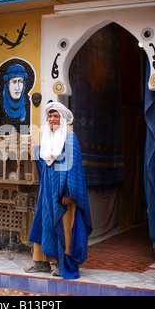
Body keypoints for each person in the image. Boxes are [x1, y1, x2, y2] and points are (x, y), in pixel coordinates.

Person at [25, 101, 92, 279]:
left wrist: (68, 192)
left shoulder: (69, 138)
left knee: (62, 227)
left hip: (63, 193)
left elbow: (74, 167)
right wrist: (35, 148)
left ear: (62, 119)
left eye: (56, 116)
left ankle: (59, 263)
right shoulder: (48, 138)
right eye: (50, 116)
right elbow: (46, 162)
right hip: (47, 191)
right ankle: (41, 261)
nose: (52, 119)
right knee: (44, 223)